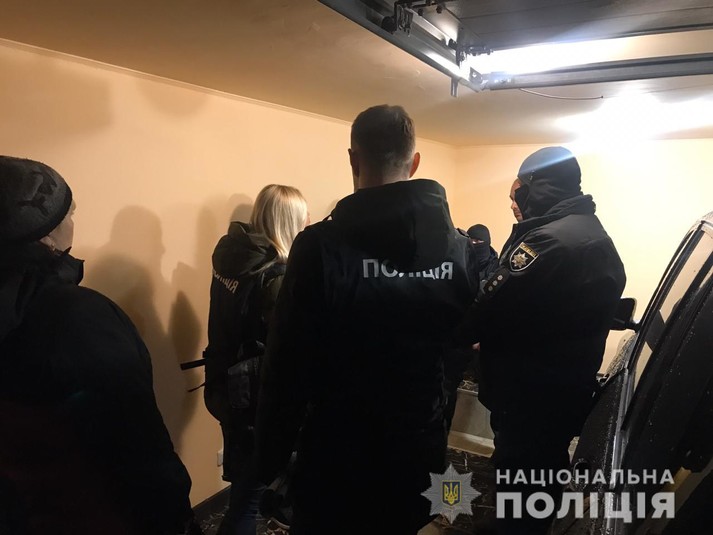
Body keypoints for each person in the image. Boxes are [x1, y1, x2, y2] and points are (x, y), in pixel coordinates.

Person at [254, 105, 478, 535]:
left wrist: (269, 461)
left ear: (354, 159)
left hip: (338, 448)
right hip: (419, 442)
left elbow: (286, 365)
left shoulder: (319, 246)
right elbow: (459, 343)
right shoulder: (458, 249)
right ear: (414, 163)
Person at [0, 156, 198, 535]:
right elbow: (135, 442)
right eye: (69, 212)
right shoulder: (77, 317)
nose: (74, 218)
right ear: (44, 232)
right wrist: (177, 516)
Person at [456, 146, 626, 533]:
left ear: (535, 188)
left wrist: (462, 334)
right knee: (539, 479)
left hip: (529, 398)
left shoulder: (546, 243)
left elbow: (487, 310)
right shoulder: (590, 233)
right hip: (559, 394)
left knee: (521, 484)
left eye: (517, 194)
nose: (513, 204)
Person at [203, 184, 308, 535]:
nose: (308, 222)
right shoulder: (276, 276)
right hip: (257, 396)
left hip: (226, 383)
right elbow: (287, 347)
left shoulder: (232, 261)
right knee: (249, 497)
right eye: (303, 216)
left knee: (245, 488)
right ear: (289, 221)